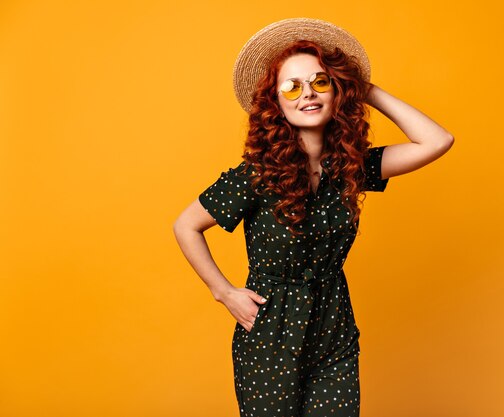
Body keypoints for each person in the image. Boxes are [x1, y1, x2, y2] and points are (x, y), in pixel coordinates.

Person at [173, 18, 454, 417]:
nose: (308, 94)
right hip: (270, 333)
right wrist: (224, 292)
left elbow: (437, 140)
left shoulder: (353, 166)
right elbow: (186, 225)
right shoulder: (257, 174)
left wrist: (362, 88)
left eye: (320, 82)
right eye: (292, 86)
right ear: (275, 101)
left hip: (333, 330)